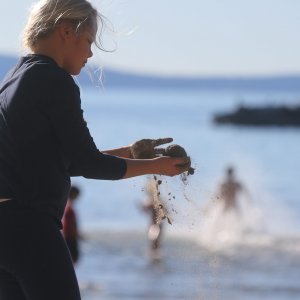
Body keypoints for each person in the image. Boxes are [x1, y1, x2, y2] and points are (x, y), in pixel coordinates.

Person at [0, 1, 190, 299]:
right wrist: (158, 166)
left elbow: (68, 162)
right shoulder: (54, 80)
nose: (90, 53)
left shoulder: (13, 77)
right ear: (66, 31)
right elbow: (90, 165)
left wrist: (129, 152)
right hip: (32, 230)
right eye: (88, 41)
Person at [62, 185, 81, 264]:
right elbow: (68, 225)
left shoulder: (66, 206)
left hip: (68, 237)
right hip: (69, 238)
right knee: (72, 261)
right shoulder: (69, 208)